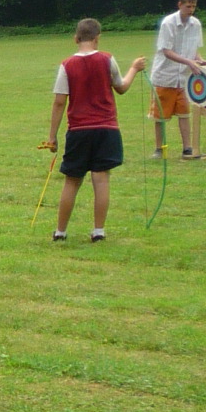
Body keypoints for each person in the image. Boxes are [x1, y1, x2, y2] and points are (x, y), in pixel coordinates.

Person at [46, 18, 146, 243]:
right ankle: (98, 230)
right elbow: (121, 87)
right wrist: (134, 68)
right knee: (101, 180)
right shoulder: (107, 59)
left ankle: (60, 231)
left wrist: (52, 136)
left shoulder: (66, 65)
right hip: (106, 129)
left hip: (78, 130)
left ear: (76, 38)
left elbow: (59, 102)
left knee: (72, 181)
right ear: (97, 38)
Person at [151, 0, 206, 159]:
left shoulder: (196, 24)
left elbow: (194, 49)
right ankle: (159, 149)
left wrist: (200, 60)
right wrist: (189, 62)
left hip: (184, 77)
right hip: (164, 75)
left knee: (184, 113)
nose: (191, 10)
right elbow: (166, 51)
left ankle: (187, 148)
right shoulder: (168, 23)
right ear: (180, 5)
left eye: (193, 7)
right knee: (161, 116)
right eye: (188, 6)